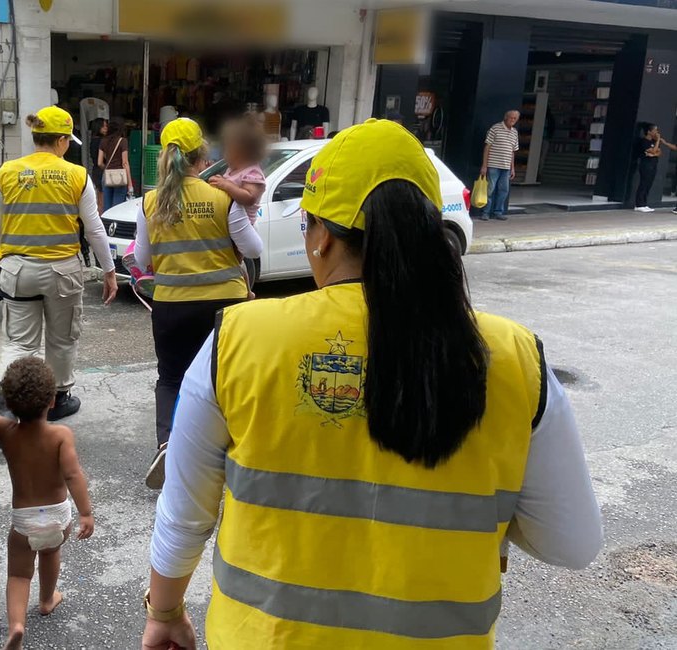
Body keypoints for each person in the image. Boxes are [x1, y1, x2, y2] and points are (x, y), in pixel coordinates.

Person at [140, 119, 602, 649]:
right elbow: (573, 545)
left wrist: (166, 611)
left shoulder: (239, 340)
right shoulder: (516, 357)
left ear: (323, 239)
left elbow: (184, 517)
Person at [133, 117, 263, 489]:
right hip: (225, 305)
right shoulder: (222, 196)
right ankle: (227, 450)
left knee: (171, 378)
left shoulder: (150, 202)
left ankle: (167, 444)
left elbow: (142, 259)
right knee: (224, 379)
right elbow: (254, 249)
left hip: (172, 304)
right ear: (201, 156)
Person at [0, 106, 118, 422]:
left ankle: (9, 402)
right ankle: (56, 399)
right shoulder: (76, 175)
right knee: (62, 338)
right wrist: (109, 271)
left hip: (17, 272)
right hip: (62, 274)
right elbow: (94, 229)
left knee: (19, 343)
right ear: (61, 140)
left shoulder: (7, 171)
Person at [0, 357, 95, 650]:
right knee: (50, 553)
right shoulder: (60, 436)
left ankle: (17, 626)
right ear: (52, 401)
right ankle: (46, 599)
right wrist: (86, 513)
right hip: (57, 517)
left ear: (9, 404)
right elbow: (72, 474)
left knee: (18, 573)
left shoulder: (6, 433)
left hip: (24, 523)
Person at [208, 117, 268, 297]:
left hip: (243, 224)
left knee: (235, 262)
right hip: (227, 223)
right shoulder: (232, 170)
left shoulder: (252, 171)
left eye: (229, 150)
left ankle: (247, 291)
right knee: (231, 262)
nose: (225, 155)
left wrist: (226, 185)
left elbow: (249, 198)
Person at [479, 110, 520, 221]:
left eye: (515, 118)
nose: (512, 120)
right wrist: (484, 165)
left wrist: (512, 168)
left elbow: (513, 151)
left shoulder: (514, 132)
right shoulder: (495, 128)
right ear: (506, 117)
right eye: (511, 118)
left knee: (504, 190)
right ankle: (486, 212)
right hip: (493, 165)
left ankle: (498, 212)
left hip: (506, 167)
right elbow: (487, 147)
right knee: (490, 189)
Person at [631, 122, 677, 213]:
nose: (657, 132)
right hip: (645, 165)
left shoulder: (654, 142)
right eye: (655, 130)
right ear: (649, 132)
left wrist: (654, 152)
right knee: (643, 184)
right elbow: (653, 151)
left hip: (653, 165)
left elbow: (658, 152)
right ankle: (639, 204)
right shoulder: (644, 141)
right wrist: (656, 144)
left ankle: (644, 203)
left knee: (648, 184)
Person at [98, 118, 134, 212]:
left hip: (106, 176)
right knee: (117, 209)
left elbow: (99, 162)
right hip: (120, 177)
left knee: (107, 209)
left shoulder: (103, 141)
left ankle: (106, 226)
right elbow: (125, 163)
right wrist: (130, 184)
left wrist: (107, 169)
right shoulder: (123, 141)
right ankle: (115, 226)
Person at [88, 118, 108, 214]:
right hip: (101, 171)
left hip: (95, 171)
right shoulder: (101, 141)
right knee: (102, 201)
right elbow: (101, 161)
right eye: (103, 126)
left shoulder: (93, 140)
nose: (106, 128)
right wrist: (106, 168)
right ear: (98, 127)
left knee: (99, 198)